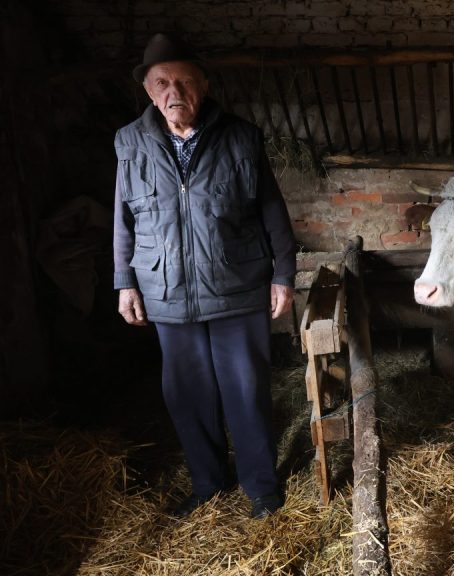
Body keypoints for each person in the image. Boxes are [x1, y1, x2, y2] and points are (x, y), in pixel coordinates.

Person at [112, 33, 298, 519]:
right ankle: (209, 484)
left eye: (185, 81)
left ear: (204, 85)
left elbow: (272, 210)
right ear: (149, 91)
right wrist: (124, 282)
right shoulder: (129, 142)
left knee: (247, 392)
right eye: (162, 83)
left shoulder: (242, 136)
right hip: (166, 290)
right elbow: (123, 218)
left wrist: (284, 274)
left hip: (237, 285)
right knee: (188, 397)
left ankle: (261, 488)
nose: (174, 91)